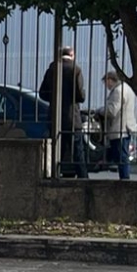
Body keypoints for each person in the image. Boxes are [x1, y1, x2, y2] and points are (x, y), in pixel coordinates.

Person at [38, 45, 87, 177]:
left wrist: (55, 98)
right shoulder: (75, 69)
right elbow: (80, 96)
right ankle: (83, 179)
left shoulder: (52, 70)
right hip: (72, 117)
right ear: (72, 54)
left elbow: (42, 93)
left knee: (57, 149)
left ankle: (55, 175)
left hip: (55, 116)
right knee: (78, 151)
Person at [102, 68, 137, 180]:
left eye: (106, 82)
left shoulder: (118, 91)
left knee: (122, 157)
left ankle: (125, 179)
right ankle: (124, 177)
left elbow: (112, 110)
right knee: (122, 155)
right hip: (127, 126)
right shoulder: (127, 88)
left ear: (110, 79)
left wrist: (100, 110)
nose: (106, 86)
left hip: (119, 128)